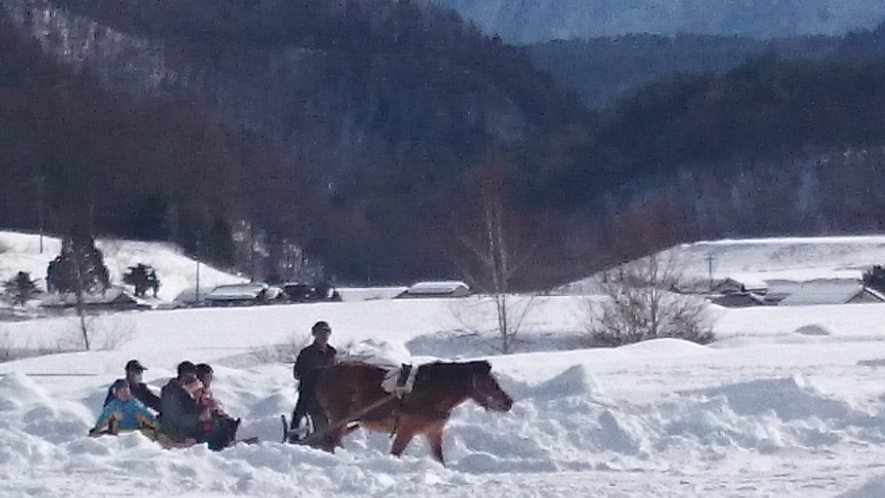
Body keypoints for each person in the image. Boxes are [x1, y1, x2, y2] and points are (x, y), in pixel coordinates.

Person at [290, 320, 338, 436]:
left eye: (326, 333)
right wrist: (314, 374)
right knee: (299, 415)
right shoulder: (306, 353)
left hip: (327, 392)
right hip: (308, 391)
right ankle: (294, 437)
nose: (323, 336)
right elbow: (297, 373)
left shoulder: (332, 352)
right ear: (314, 335)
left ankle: (327, 437)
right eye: (320, 333)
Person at [158, 361, 210, 447]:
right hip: (175, 432)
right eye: (190, 378)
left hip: (186, 428)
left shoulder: (184, 391)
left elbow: (190, 408)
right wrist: (198, 418)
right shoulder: (171, 393)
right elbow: (177, 419)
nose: (192, 381)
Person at [89, 379, 159, 439]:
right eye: (121, 391)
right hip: (117, 435)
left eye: (126, 391)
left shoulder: (135, 404)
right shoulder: (113, 406)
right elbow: (103, 418)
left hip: (135, 434)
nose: (125, 394)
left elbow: (148, 416)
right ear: (116, 393)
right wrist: (96, 430)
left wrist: (157, 426)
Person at [195, 363, 241, 450]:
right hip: (200, 421)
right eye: (208, 377)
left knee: (225, 421)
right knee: (216, 425)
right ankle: (220, 444)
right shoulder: (197, 390)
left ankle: (228, 439)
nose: (210, 380)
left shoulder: (207, 391)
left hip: (209, 416)